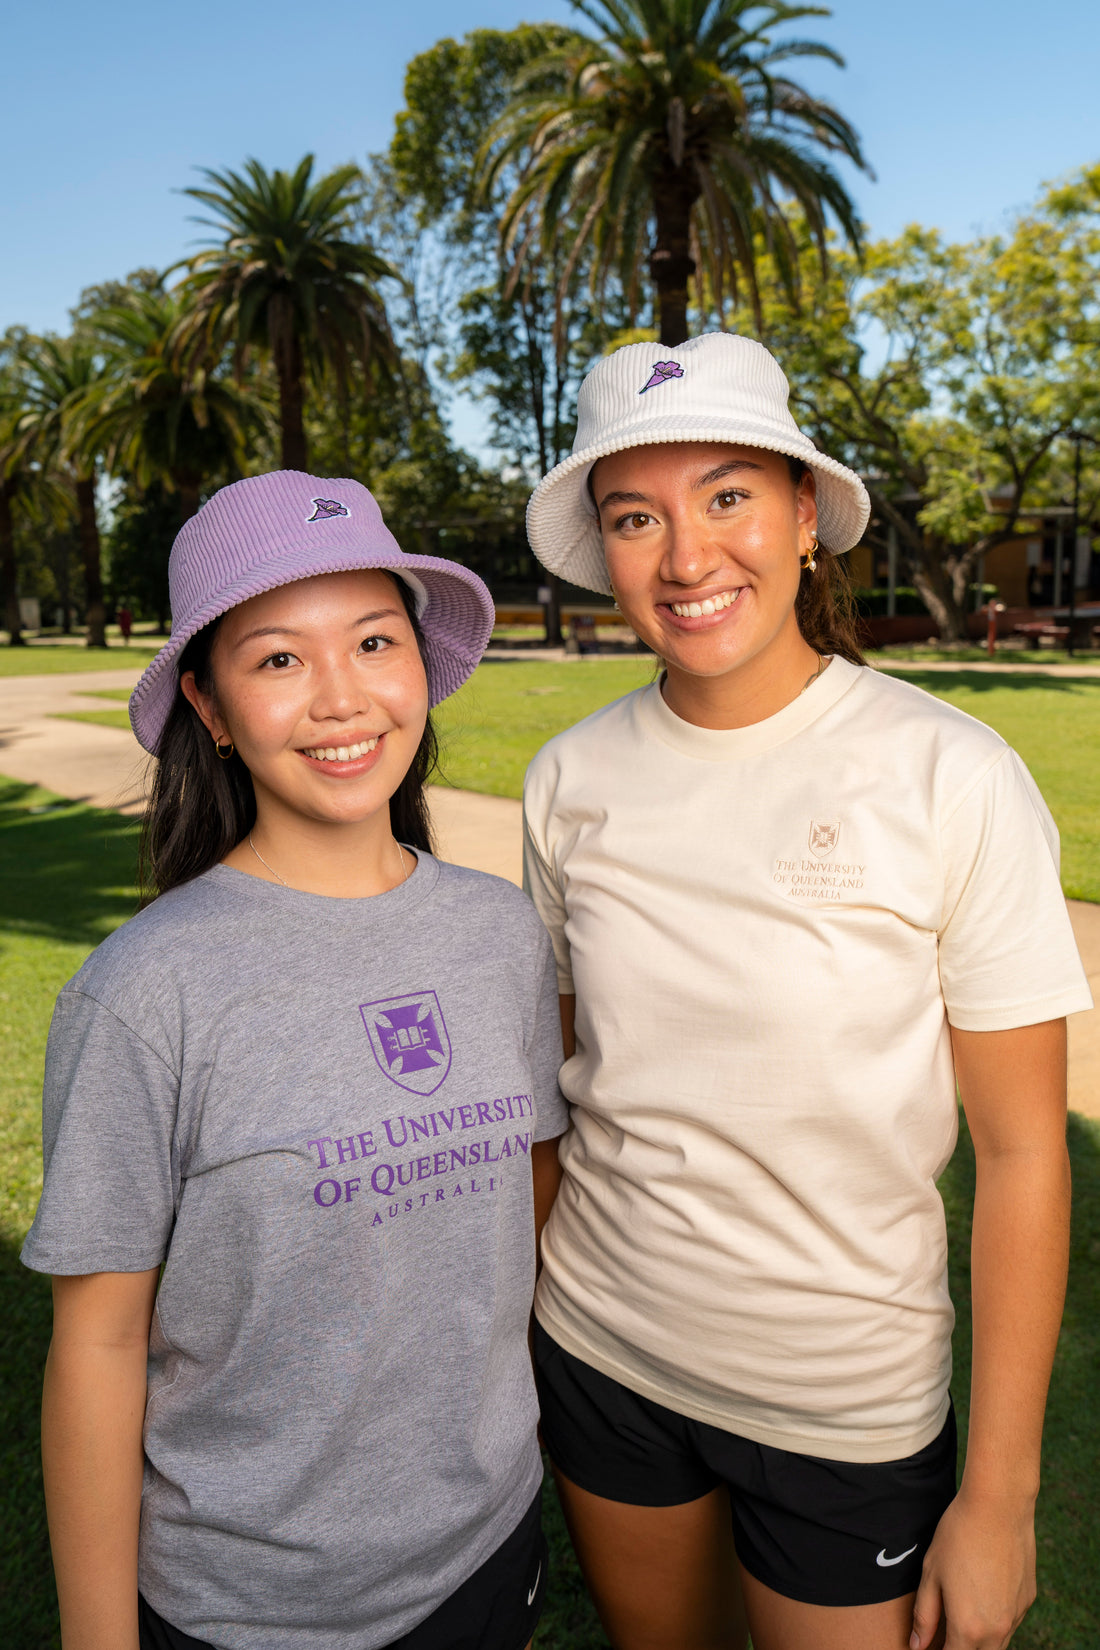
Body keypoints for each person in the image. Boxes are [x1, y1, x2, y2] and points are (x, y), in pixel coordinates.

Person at [520, 334, 1093, 1650]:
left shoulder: (949, 772)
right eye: (635, 515)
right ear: (604, 546)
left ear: (801, 517)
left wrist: (998, 1493)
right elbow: (558, 1088)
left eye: (727, 496)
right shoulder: (567, 778)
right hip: (602, 1350)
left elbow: (1020, 1155)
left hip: (846, 1400)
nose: (686, 554)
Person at [22, 470, 568, 1650]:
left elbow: (522, 1204)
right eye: (277, 660)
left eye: (374, 641)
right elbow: (100, 1345)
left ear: (419, 666)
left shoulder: (499, 935)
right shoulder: (142, 994)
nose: (339, 698)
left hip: (484, 1548)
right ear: (211, 711)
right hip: (247, 1605)